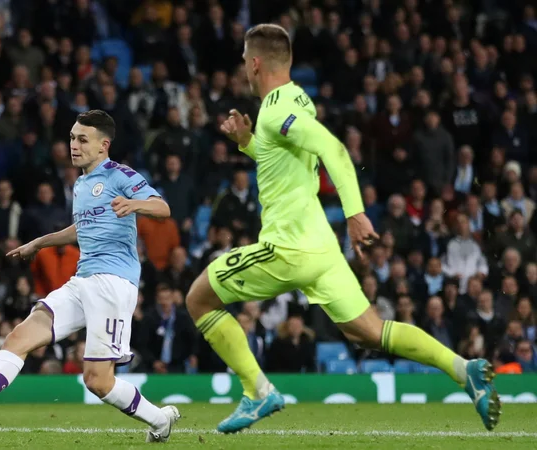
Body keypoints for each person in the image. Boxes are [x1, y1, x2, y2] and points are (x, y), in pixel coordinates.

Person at [184, 24, 500, 434]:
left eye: (245, 61)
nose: (244, 68)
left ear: (255, 63)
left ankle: (257, 391)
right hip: (322, 249)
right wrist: (248, 143)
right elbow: (285, 160)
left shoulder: (277, 110)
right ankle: (463, 369)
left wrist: (354, 211)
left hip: (288, 247)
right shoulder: (294, 100)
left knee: (199, 300)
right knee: (369, 331)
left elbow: (331, 148)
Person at [0, 110, 180, 441]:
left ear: (104, 145)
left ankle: (160, 420)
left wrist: (135, 206)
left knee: (97, 381)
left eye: (82, 139)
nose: (73, 145)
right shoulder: (82, 183)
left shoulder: (120, 174)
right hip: (83, 279)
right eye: (72, 138)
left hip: (113, 283)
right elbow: (83, 228)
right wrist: (40, 242)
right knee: (19, 336)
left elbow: (162, 208)